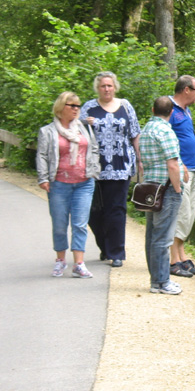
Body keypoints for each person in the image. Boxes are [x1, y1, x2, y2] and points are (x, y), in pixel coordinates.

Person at [80, 71, 143, 267]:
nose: (106, 89)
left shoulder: (125, 106)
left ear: (115, 87)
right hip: (94, 167)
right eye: (103, 86)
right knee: (94, 211)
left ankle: (117, 253)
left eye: (109, 85)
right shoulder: (89, 108)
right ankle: (105, 246)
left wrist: (140, 159)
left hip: (120, 165)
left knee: (116, 209)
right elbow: (77, 132)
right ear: (97, 88)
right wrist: (85, 123)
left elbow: (135, 134)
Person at [36, 92, 100, 278]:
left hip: (84, 183)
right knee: (59, 224)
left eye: (78, 106)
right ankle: (60, 260)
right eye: (72, 105)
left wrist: (94, 171)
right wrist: (43, 178)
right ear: (60, 107)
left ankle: (79, 264)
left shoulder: (84, 128)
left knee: (80, 224)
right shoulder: (48, 131)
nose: (76, 109)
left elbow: (94, 149)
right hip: (59, 184)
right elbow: (42, 155)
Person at [139, 96, 186, 295]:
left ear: (153, 110)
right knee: (163, 237)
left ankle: (156, 279)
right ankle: (161, 281)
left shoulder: (146, 130)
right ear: (171, 112)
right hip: (166, 189)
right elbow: (172, 164)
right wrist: (177, 188)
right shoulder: (166, 132)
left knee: (152, 234)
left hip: (150, 189)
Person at [168, 75, 195, 279]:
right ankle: (173, 260)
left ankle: (181, 255)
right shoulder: (170, 109)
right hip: (181, 170)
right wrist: (178, 164)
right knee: (181, 213)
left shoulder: (186, 111)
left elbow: (186, 139)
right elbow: (166, 138)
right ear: (186, 89)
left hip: (192, 169)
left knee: (189, 213)